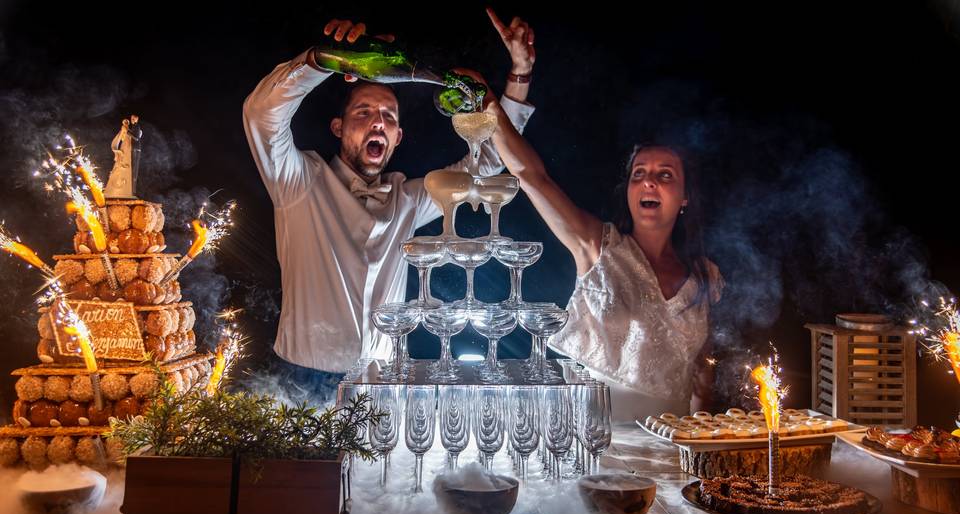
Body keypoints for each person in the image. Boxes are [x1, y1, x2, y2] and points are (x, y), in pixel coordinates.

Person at [242, 11, 537, 402]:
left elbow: (484, 167)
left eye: (387, 117)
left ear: (398, 137)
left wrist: (519, 73)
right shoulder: (298, 180)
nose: (377, 123)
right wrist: (325, 59)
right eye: (363, 113)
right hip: (299, 381)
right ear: (338, 127)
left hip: (382, 383)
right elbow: (262, 116)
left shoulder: (408, 199)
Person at [486, 101, 723, 423]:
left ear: (684, 197)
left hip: (671, 445)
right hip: (595, 438)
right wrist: (490, 108)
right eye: (639, 174)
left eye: (664, 175)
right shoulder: (598, 246)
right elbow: (532, 176)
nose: (648, 182)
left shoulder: (705, 274)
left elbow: (702, 376)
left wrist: (698, 447)